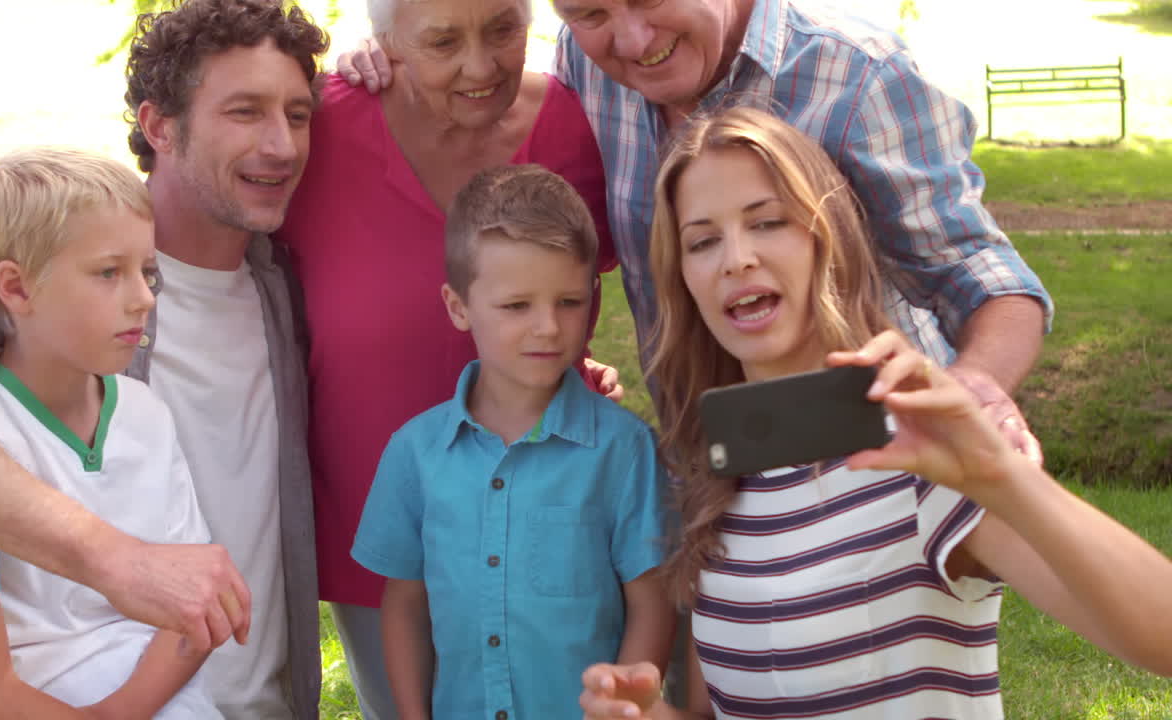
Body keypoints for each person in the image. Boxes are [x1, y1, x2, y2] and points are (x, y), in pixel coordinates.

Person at [576, 107, 1172, 719]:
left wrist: (1001, 476)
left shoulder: (921, 449)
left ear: (826, 236)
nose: (736, 258)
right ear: (683, 278)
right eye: (703, 241)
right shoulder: (712, 481)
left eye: (767, 222)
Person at [338, 0, 1052, 457]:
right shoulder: (587, 72)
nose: (632, 39)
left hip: (868, 454)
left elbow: (985, 277)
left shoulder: (857, 76)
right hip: (710, 463)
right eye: (590, 12)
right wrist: (385, 57)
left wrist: (975, 388)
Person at [0, 1, 329, 718]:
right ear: (160, 126)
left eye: (298, 114)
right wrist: (113, 562)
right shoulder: (27, 285)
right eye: (244, 111)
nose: (281, 145)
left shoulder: (287, 282)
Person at [274, 0, 620, 715]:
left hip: (557, 531)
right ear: (386, 41)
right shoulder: (320, 126)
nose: (480, 65)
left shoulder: (569, 122)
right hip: (381, 540)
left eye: (503, 28)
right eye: (441, 42)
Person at [0, 147, 221, 719]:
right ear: (17, 287)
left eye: (146, 271)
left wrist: (120, 712)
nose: (144, 297)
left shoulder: (147, 414)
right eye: (108, 272)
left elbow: (195, 607)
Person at [351, 164, 673, 720]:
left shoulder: (625, 452)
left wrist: (624, 707)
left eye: (569, 302)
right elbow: (404, 603)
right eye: (517, 305)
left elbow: (652, 602)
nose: (547, 327)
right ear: (459, 307)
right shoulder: (414, 454)